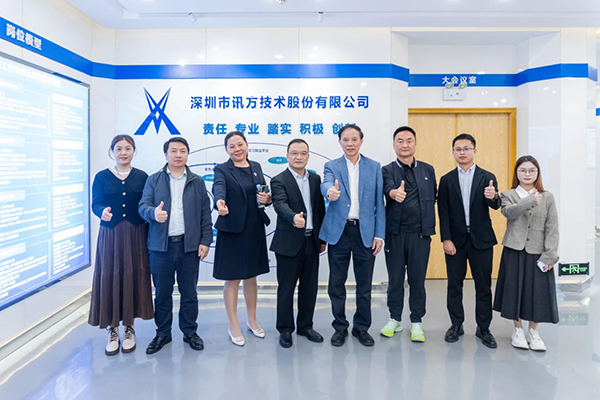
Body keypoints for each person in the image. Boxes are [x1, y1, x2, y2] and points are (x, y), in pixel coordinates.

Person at [139, 137, 212, 354]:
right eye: (173, 151)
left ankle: (190, 331)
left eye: (182, 151)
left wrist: (205, 240)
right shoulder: (154, 180)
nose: (178, 155)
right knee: (162, 293)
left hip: (189, 247)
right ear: (166, 154)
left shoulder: (197, 181)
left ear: (187, 154)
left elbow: (205, 213)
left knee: (189, 293)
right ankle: (163, 333)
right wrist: (153, 213)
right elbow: (142, 206)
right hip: (161, 247)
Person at [320, 124, 385, 347]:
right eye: (345, 139)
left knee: (364, 284)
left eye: (354, 139)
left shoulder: (374, 167)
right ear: (340, 142)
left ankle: (361, 328)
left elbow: (379, 203)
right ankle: (340, 327)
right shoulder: (332, 166)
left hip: (364, 232)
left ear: (361, 141)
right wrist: (330, 192)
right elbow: (326, 184)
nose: (350, 143)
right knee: (336, 283)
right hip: (339, 232)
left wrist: (379, 234)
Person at [89, 134, 153, 356]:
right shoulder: (101, 177)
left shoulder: (142, 177)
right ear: (112, 151)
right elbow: (95, 203)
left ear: (134, 151)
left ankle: (129, 328)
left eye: (128, 148)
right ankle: (112, 329)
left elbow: (147, 203)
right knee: (111, 276)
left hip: (136, 234)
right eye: (119, 148)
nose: (123, 152)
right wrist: (102, 212)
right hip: (111, 235)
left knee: (133, 276)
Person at [438, 133, 500, 349]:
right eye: (458, 149)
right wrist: (446, 238)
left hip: (481, 240)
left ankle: (484, 328)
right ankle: (456, 325)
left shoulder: (487, 177)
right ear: (453, 152)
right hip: (455, 241)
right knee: (454, 285)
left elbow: (495, 205)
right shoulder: (446, 180)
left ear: (475, 150)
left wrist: (493, 196)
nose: (462, 152)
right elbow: (443, 212)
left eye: (466, 148)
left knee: (483, 286)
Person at [494, 155, 559, 351]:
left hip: (538, 252)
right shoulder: (508, 194)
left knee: (537, 293)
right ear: (517, 173)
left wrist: (550, 255)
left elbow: (552, 228)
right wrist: (530, 200)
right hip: (514, 250)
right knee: (514, 290)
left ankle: (533, 331)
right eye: (523, 170)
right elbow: (509, 213)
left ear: (538, 173)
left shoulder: (547, 197)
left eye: (532, 170)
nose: (527, 174)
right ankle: (518, 329)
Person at [212, 131, 272, 346]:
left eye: (240, 144)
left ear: (246, 145)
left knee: (251, 277)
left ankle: (252, 320)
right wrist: (219, 202)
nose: (237, 149)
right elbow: (218, 187)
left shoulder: (256, 166)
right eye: (232, 146)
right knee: (233, 279)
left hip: (254, 228)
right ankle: (233, 324)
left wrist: (268, 198)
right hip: (232, 230)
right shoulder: (222, 169)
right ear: (226, 149)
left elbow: (263, 193)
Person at [380, 126, 437, 342]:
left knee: (417, 280)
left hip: (420, 235)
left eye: (409, 140)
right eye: (400, 141)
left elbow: (434, 196)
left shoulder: (428, 170)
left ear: (415, 144)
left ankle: (416, 322)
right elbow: (387, 189)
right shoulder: (386, 170)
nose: (405, 145)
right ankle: (394, 319)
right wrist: (394, 193)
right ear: (394, 145)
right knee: (395, 280)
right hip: (395, 234)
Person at [270, 138, 327, 348]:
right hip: (288, 242)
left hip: (312, 240)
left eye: (303, 153)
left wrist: (322, 238)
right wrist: (293, 217)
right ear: (287, 156)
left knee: (309, 287)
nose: (299, 157)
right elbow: (280, 204)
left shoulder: (315, 179)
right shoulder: (279, 180)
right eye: (294, 153)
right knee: (286, 288)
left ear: (308, 156)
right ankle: (285, 329)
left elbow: (319, 209)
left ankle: (305, 326)